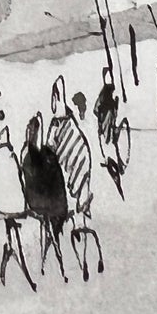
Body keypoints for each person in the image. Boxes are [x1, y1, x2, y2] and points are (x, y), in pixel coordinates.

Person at [48, 75, 103, 280]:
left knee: (75, 214)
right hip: (81, 166)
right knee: (80, 210)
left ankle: (83, 261)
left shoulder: (57, 124)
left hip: (75, 170)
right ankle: (87, 259)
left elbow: (51, 149)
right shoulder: (70, 123)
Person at [0, 111, 35, 289]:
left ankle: (9, 248)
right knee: (13, 229)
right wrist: (24, 204)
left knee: (10, 226)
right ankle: (13, 251)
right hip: (10, 206)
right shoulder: (8, 157)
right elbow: (19, 183)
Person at [19, 111, 70, 280]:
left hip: (42, 204)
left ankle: (53, 246)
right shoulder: (38, 156)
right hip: (49, 205)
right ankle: (54, 246)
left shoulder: (32, 156)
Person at [94, 63, 131, 198]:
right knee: (110, 144)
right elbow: (98, 110)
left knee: (110, 146)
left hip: (107, 126)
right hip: (106, 126)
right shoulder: (104, 95)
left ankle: (116, 174)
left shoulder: (107, 95)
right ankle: (117, 177)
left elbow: (99, 110)